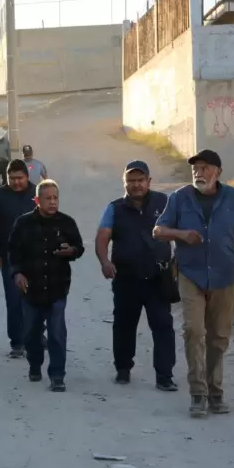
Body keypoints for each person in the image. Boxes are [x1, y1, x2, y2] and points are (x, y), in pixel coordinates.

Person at [153, 148, 234, 417]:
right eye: (195, 169)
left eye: (204, 168)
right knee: (193, 331)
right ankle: (198, 393)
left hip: (223, 277)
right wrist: (182, 234)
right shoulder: (180, 198)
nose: (198, 173)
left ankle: (215, 391)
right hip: (191, 275)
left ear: (217, 172)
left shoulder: (233, 198)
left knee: (218, 337)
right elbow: (158, 230)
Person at [95, 161, 176, 389]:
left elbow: (180, 231)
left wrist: (180, 262)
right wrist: (105, 261)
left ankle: (164, 376)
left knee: (163, 325)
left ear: (149, 181)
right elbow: (102, 236)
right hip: (126, 278)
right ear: (125, 183)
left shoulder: (165, 203)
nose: (136, 185)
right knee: (124, 325)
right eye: (131, 181)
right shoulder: (115, 208)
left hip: (158, 277)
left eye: (140, 180)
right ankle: (123, 369)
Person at [8, 179, 84, 391]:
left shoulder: (66, 223)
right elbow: (13, 252)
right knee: (31, 332)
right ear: (37, 200)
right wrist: (17, 274)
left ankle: (57, 375)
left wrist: (72, 251)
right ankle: (35, 365)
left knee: (57, 332)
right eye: (47, 198)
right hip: (30, 289)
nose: (52, 202)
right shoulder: (23, 223)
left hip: (58, 287)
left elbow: (79, 247)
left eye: (55, 198)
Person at [0, 159, 37, 358]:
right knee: (14, 299)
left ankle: (38, 335)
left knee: (38, 298)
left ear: (27, 177)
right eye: (12, 178)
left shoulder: (37, 194)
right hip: (9, 257)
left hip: (37, 256)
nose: (16, 182)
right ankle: (17, 342)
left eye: (20, 178)